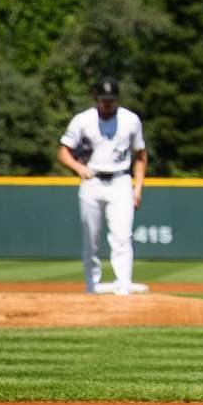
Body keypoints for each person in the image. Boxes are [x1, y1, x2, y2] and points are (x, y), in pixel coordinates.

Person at [56, 78, 150, 296]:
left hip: (120, 180)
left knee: (122, 236)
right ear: (95, 98)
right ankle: (92, 286)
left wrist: (138, 188)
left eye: (111, 100)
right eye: (103, 100)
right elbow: (63, 151)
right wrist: (78, 168)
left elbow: (141, 156)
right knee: (91, 239)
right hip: (92, 181)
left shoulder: (130, 120)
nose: (107, 104)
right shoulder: (82, 121)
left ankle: (123, 286)